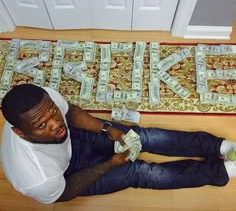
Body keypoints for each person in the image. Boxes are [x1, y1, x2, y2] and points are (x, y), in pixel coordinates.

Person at [1, 84, 236, 204]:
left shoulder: (43, 101)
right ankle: (220, 171)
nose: (54, 123)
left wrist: (107, 128)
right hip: (69, 175)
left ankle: (219, 146)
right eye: (41, 125)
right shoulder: (37, 178)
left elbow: (69, 113)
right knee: (139, 171)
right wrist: (110, 164)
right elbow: (66, 192)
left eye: (52, 112)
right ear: (20, 133)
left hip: (75, 138)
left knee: (139, 137)